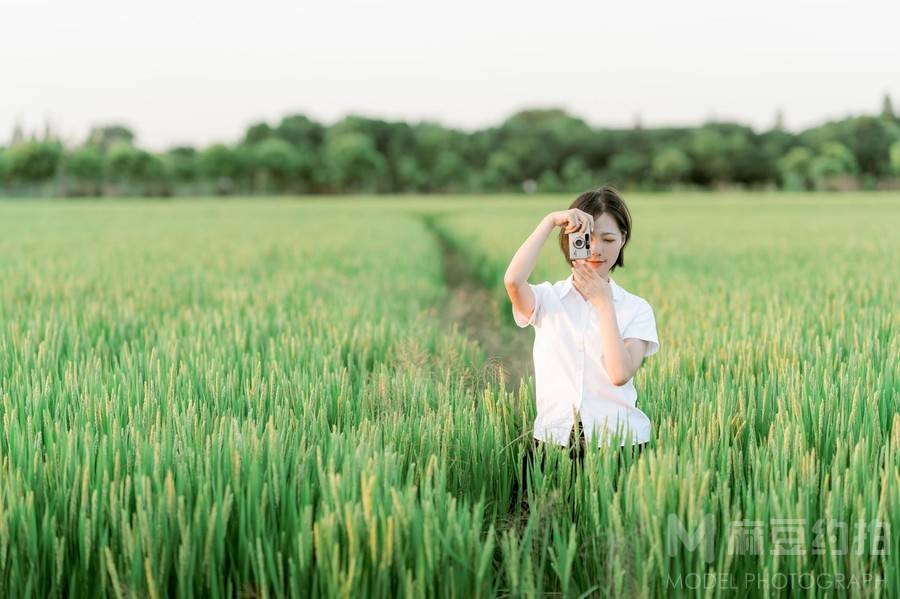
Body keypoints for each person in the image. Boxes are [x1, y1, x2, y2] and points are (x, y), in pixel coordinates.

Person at [504, 186, 660, 515]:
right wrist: (548, 222)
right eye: (586, 237)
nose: (597, 249)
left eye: (608, 238)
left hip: (621, 445)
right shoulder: (547, 299)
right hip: (552, 440)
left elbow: (619, 373)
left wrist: (603, 303)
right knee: (536, 538)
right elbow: (513, 281)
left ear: (623, 240)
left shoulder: (636, 309)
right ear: (569, 240)